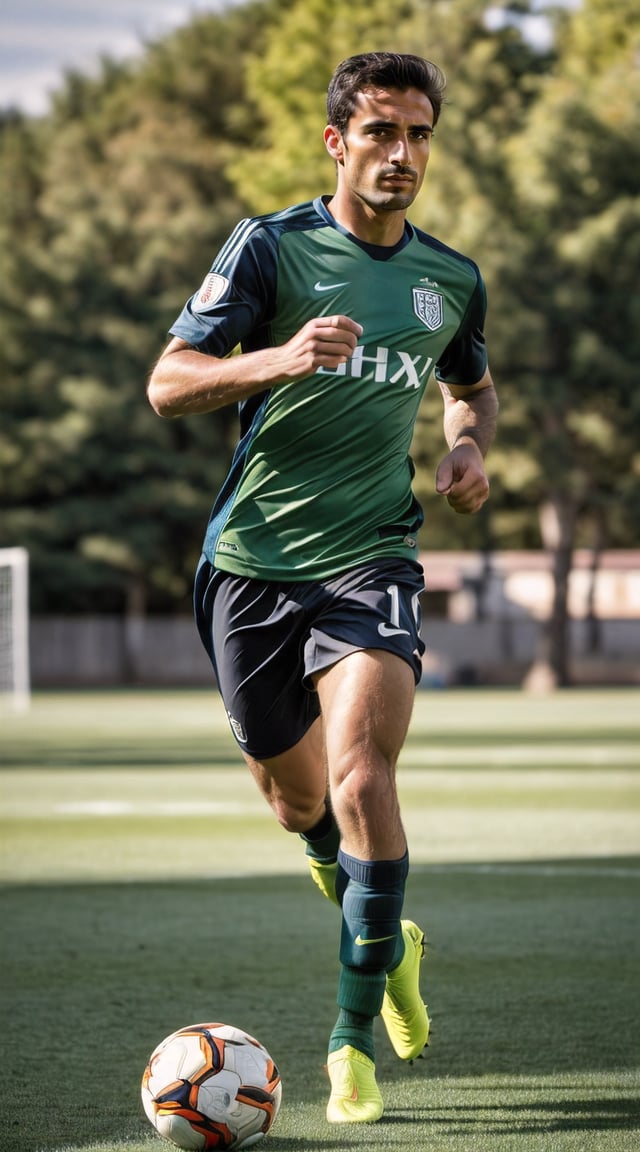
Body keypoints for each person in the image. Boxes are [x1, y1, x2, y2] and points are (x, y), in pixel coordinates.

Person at [147, 51, 498, 1124]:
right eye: (381, 132)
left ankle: (349, 1045)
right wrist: (280, 359)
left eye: (420, 134)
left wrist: (467, 448)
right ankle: (387, 934)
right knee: (300, 804)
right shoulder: (271, 246)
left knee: (358, 779)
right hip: (249, 565)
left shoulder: (451, 276)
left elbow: (469, 387)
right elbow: (169, 385)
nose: (403, 154)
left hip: (372, 557)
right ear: (337, 143)